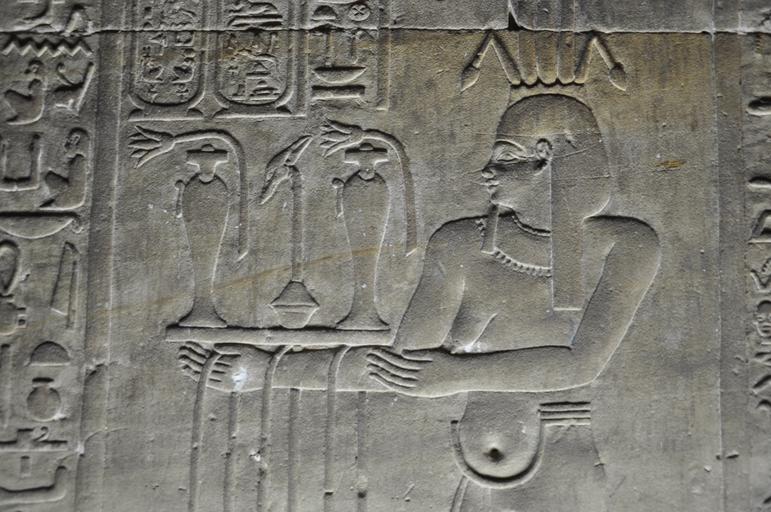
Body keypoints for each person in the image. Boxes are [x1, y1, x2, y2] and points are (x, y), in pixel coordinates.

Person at [178, 93, 660, 510]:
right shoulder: (459, 243)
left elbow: (582, 363)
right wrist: (267, 369)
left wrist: (456, 375)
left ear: (546, 157)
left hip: (564, 458)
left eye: (503, 156)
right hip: (471, 455)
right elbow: (402, 368)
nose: (486, 171)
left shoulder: (626, 245)